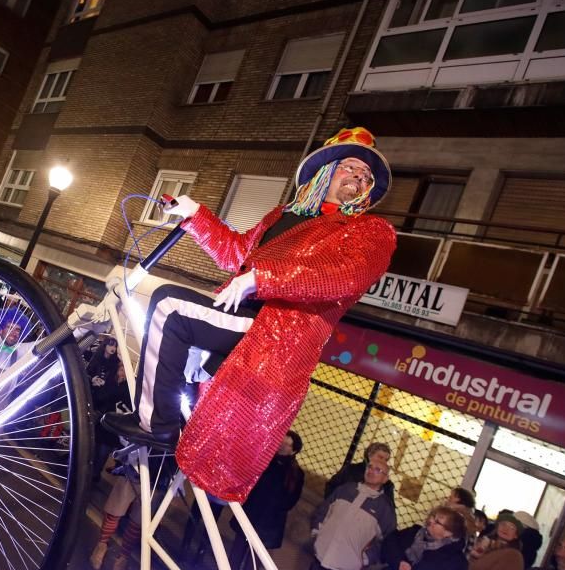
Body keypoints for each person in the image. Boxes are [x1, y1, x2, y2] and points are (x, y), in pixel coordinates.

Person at [103, 127, 396, 502]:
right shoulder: (283, 216)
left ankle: (155, 424)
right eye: (350, 167)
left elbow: (344, 276)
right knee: (172, 319)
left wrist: (263, 278)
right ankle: (160, 430)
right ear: (326, 171)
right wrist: (194, 215)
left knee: (169, 306)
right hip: (240, 319)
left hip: (275, 334)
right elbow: (235, 253)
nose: (358, 177)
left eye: (365, 176)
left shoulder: (369, 231)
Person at [291, 457, 397, 570]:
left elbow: (386, 542)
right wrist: (318, 535)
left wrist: (365, 559)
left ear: (385, 478)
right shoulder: (346, 490)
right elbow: (323, 511)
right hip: (324, 555)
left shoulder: (385, 510)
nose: (371, 471)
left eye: (378, 470)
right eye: (370, 467)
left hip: (352, 568)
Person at [228, 430, 305, 570]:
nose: (282, 446)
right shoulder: (265, 461)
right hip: (251, 512)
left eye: (287, 444)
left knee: (254, 560)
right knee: (237, 550)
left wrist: (275, 507)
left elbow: (292, 499)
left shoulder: (295, 473)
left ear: (294, 450)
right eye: (281, 442)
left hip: (270, 521)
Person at [325, 441, 395, 503]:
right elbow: (331, 487)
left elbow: (388, 508)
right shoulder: (351, 470)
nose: (383, 462)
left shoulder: (387, 485)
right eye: (380, 457)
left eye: (386, 460)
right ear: (369, 455)